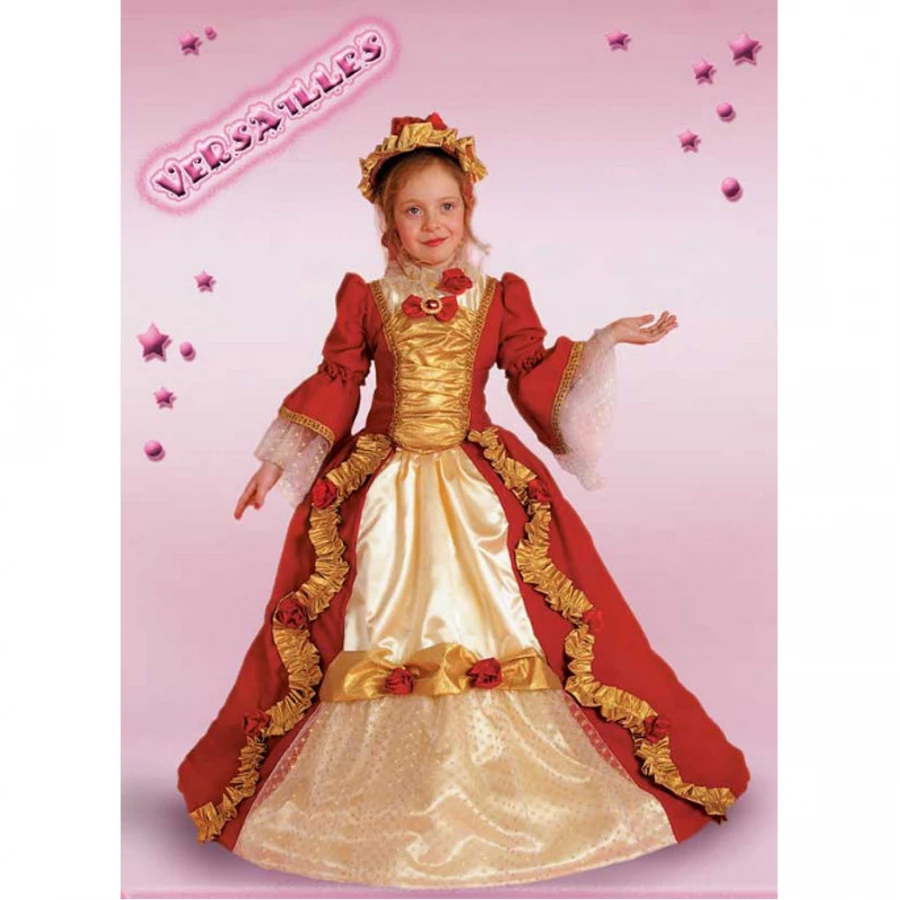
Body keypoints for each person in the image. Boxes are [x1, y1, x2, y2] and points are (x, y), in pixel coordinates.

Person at [177, 112, 750, 889]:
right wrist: (277, 462)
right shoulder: (367, 298)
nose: (432, 223)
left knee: (525, 612)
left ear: (468, 210)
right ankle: (383, 789)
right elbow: (340, 379)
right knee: (365, 614)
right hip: (385, 486)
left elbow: (532, 366)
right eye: (413, 210)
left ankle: (508, 778)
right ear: (389, 224)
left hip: (476, 482)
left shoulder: (497, 296)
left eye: (446, 206)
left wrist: (604, 341)